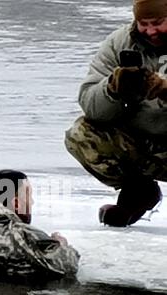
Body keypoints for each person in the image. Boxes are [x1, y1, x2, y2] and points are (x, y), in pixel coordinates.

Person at [65, 0, 167, 227]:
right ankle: (139, 192)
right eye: (144, 23)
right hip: (143, 143)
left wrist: (163, 89)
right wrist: (112, 88)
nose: (151, 31)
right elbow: (90, 105)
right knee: (82, 134)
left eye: (158, 23)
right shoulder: (120, 43)